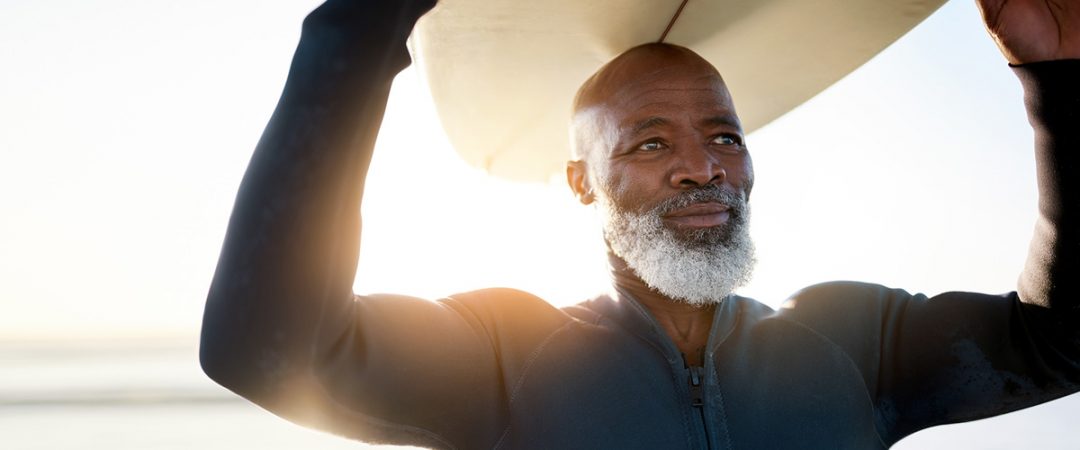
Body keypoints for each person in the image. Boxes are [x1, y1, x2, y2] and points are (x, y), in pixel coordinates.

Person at [199, 0, 1080, 448]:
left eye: (723, 136)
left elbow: (1061, 343)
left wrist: (1063, 80)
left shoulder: (856, 345)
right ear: (583, 184)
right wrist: (359, 26)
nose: (702, 166)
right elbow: (264, 348)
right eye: (652, 142)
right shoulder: (504, 360)